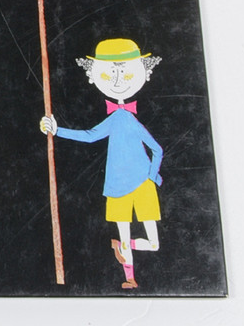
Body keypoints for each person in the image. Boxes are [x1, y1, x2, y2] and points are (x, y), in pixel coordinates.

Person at [40, 38, 164, 289]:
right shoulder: (116, 118)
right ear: (93, 76)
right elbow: (89, 136)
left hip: (142, 184)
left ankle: (123, 248)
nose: (118, 80)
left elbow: (157, 149)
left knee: (153, 243)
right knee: (126, 234)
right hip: (118, 186)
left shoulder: (128, 118)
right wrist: (56, 130)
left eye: (125, 73)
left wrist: (151, 174)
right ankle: (129, 278)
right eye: (110, 74)